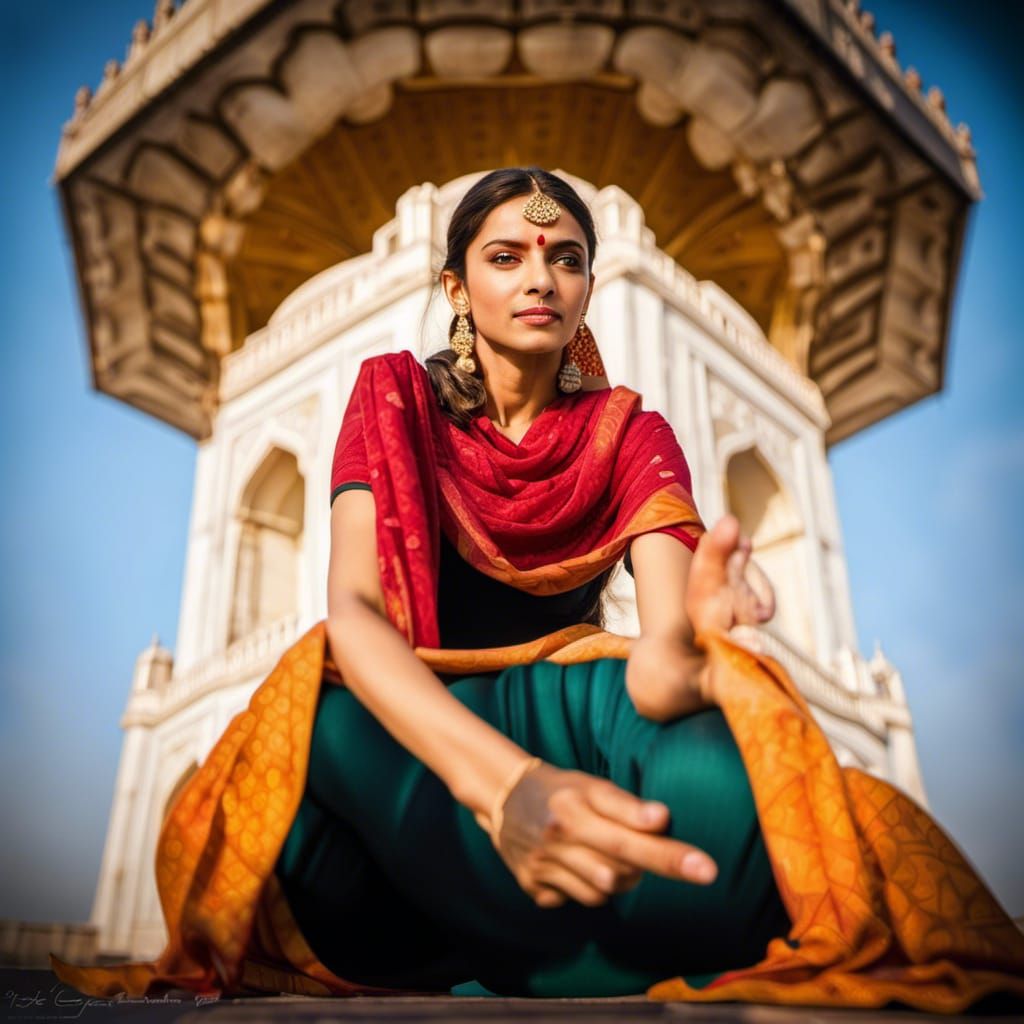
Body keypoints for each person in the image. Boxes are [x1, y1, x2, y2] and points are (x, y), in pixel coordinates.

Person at [51, 168, 1024, 1011]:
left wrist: (694, 638)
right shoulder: (393, 396)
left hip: (577, 702)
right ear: (456, 285)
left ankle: (493, 953)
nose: (539, 277)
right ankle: (576, 951)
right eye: (506, 255)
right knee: (316, 721)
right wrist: (507, 788)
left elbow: (656, 677)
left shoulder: (628, 430)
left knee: (723, 803)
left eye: (564, 258)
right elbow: (354, 614)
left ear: (590, 287)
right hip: (421, 726)